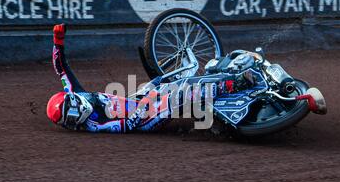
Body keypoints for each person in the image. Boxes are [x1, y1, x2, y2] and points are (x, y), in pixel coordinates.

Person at [46, 24, 255, 133]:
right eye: (70, 122)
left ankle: (209, 85)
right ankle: (233, 83)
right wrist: (144, 109)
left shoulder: (76, 93)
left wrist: (58, 40)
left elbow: (61, 68)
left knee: (164, 82)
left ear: (72, 102)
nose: (74, 121)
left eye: (71, 115)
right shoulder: (92, 126)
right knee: (177, 95)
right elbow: (127, 126)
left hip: (137, 100)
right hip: (145, 120)